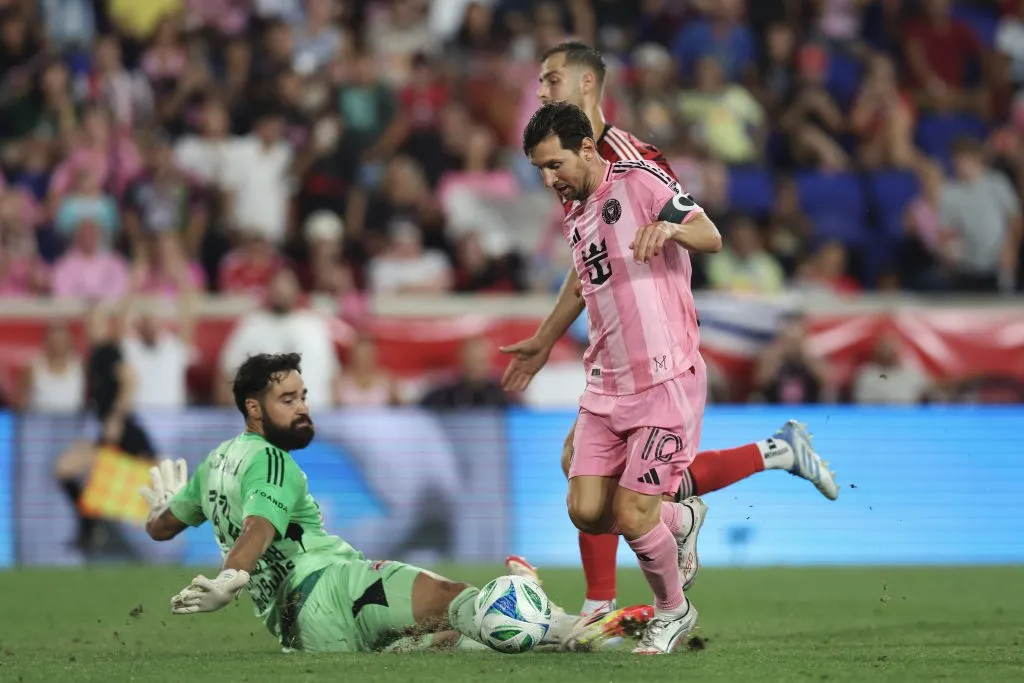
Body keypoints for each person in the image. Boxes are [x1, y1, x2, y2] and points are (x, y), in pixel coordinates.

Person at [501, 41, 839, 622]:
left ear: (587, 87)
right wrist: (547, 335)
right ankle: (756, 465)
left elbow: (690, 225)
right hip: (616, 354)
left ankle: (600, 601)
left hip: (659, 349)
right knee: (593, 477)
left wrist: (667, 230)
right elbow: (588, 264)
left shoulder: (626, 157)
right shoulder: (567, 172)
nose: (541, 91)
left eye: (551, 80)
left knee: (606, 478)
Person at [140, 352, 652, 653]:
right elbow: (258, 528)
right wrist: (231, 579)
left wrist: (161, 508)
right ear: (254, 409)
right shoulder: (273, 463)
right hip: (335, 585)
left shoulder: (213, 464)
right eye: (288, 401)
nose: (303, 410)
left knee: (446, 641)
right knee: (456, 598)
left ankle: (540, 620)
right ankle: (564, 625)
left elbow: (162, 528)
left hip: (300, 633)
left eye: (303, 396)